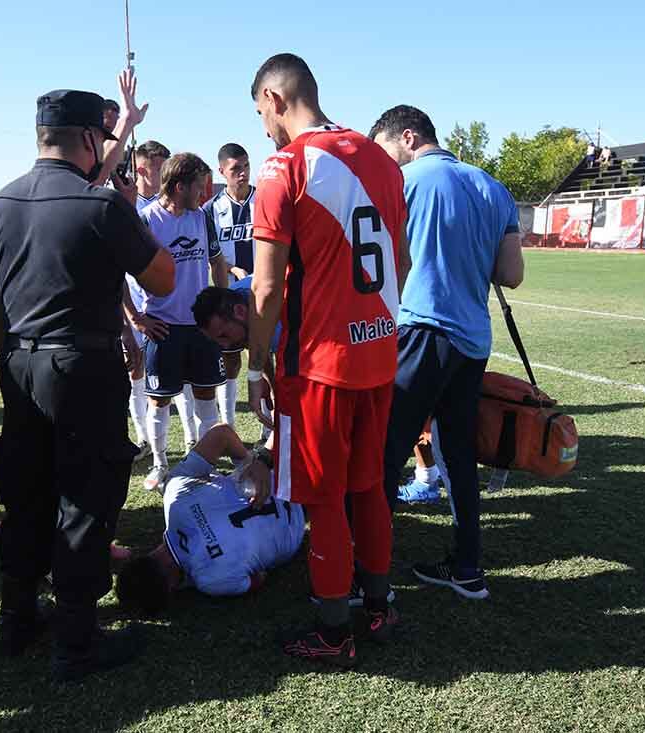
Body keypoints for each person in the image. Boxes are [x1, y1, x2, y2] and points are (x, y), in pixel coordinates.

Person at [0, 88, 174, 681]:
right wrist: (128, 210)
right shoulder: (102, 206)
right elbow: (161, 278)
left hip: (19, 362)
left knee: (26, 492)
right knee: (85, 500)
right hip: (82, 368)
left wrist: (10, 349)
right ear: (90, 139)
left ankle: (17, 619)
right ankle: (76, 641)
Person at [248, 53, 408, 667]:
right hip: (379, 350)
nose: (263, 125)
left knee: (323, 498)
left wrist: (258, 363)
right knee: (368, 486)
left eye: (260, 110)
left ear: (274, 97)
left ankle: (334, 629)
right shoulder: (382, 159)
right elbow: (402, 263)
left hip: (319, 363)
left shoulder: (284, 165)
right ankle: (379, 606)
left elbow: (264, 289)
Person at [369, 104, 524, 601]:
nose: (385, 164)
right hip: (472, 341)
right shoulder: (492, 187)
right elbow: (512, 274)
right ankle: (467, 569)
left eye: (386, 151)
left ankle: (367, 578)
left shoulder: (407, 181)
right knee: (457, 455)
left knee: (387, 452)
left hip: (422, 330)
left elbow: (391, 263)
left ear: (408, 137)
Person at [116, 424, 303, 614]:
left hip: (296, 526)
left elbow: (258, 578)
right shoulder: (175, 494)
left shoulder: (211, 581)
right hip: (279, 473)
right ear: (142, 556)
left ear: (171, 589)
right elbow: (222, 433)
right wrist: (250, 464)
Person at [127, 153, 229, 493]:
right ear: (179, 185)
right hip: (163, 327)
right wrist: (137, 318)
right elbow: (117, 274)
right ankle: (160, 465)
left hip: (201, 327)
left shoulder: (202, 218)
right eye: (198, 187)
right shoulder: (146, 220)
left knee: (205, 396)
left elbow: (217, 262)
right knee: (159, 400)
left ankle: (204, 465)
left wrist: (222, 308)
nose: (203, 194)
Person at [123, 140, 171, 460]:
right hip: (133, 307)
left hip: (166, 307)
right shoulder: (125, 206)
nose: (165, 174)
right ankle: (143, 439)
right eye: (159, 167)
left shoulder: (169, 206)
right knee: (135, 372)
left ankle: (190, 442)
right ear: (141, 168)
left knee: (171, 377)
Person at [203, 143, 256, 428]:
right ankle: (230, 424)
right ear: (222, 171)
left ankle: (268, 427)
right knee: (231, 362)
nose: (243, 173)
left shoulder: (264, 200)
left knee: (267, 358)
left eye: (246, 166)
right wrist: (233, 268)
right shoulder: (211, 209)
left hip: (264, 294)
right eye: (236, 169)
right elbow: (209, 254)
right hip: (230, 298)